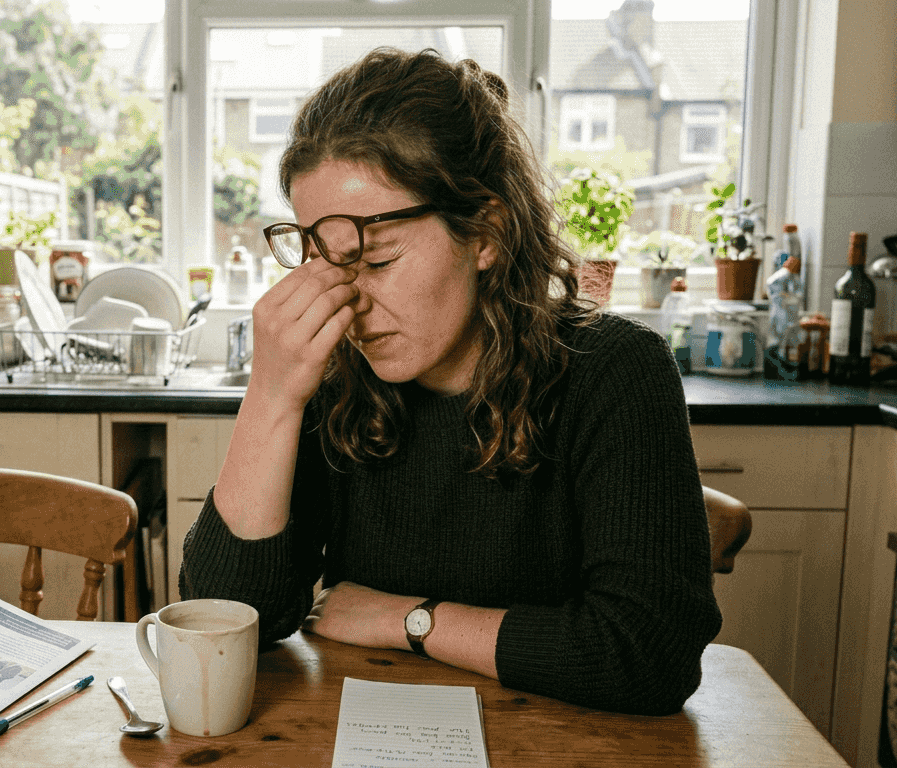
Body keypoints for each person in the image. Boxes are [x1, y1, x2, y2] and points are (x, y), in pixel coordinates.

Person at [178, 47, 721, 716]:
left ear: (485, 232)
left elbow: (650, 654)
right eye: (326, 265)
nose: (348, 301)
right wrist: (271, 396)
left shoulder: (615, 370)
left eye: (375, 259)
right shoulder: (337, 374)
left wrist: (412, 620)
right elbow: (232, 621)